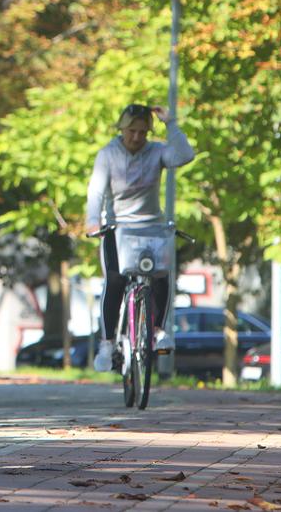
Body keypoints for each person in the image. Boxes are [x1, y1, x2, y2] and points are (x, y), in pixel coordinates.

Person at [85, 103, 195, 372]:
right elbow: (96, 192)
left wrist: (171, 124)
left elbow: (184, 156)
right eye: (132, 131)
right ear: (122, 129)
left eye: (143, 132)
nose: (136, 137)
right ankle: (108, 342)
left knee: (160, 275)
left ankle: (157, 330)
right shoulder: (108, 155)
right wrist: (92, 220)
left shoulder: (156, 152)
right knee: (114, 280)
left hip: (151, 227)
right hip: (117, 227)